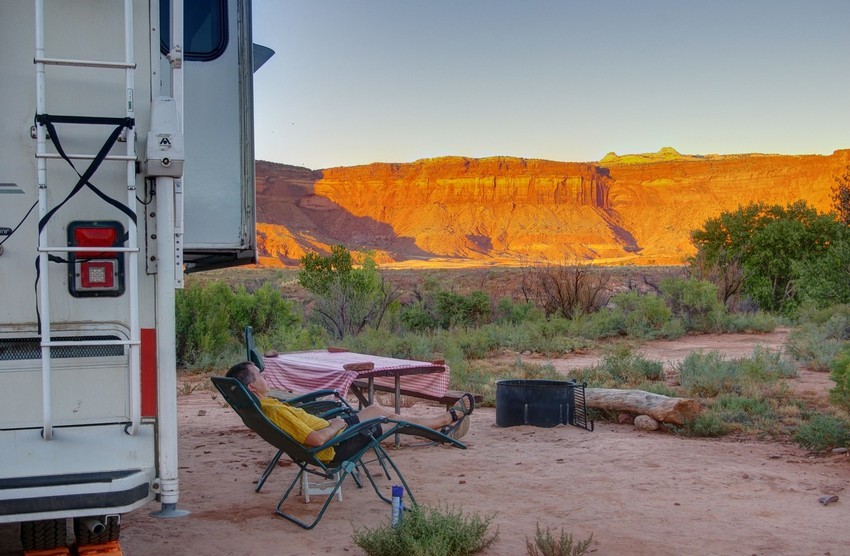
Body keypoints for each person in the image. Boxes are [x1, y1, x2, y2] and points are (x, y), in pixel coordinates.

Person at [225, 361, 473, 464]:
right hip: (335, 446)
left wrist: (334, 422)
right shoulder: (273, 411)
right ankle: (444, 422)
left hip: (330, 436)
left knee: (380, 413)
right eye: (260, 375)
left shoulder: (262, 408)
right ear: (251, 387)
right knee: (383, 416)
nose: (265, 376)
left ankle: (440, 427)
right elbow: (316, 440)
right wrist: (337, 423)